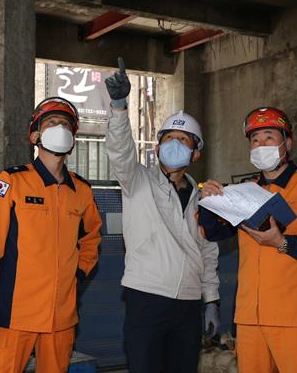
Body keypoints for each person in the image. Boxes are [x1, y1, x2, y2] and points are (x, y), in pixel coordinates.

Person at [199, 106, 297, 373]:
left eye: (269, 137)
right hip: (249, 317)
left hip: (294, 316)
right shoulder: (245, 191)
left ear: (287, 142)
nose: (260, 144)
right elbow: (214, 232)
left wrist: (282, 242)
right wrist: (208, 201)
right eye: (255, 139)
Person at [0, 97, 102, 373]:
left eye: (65, 124)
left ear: (73, 139)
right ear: (34, 136)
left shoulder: (82, 192)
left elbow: (92, 240)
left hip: (61, 319)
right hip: (12, 315)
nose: (59, 127)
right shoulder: (11, 181)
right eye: (51, 123)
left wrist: (76, 275)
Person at [104, 57, 221, 373]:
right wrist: (118, 108)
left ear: (195, 153)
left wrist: (210, 299)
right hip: (147, 299)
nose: (174, 145)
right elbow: (120, 151)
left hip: (188, 305)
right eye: (168, 138)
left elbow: (208, 251)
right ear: (156, 149)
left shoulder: (204, 199)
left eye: (183, 141)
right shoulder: (137, 181)